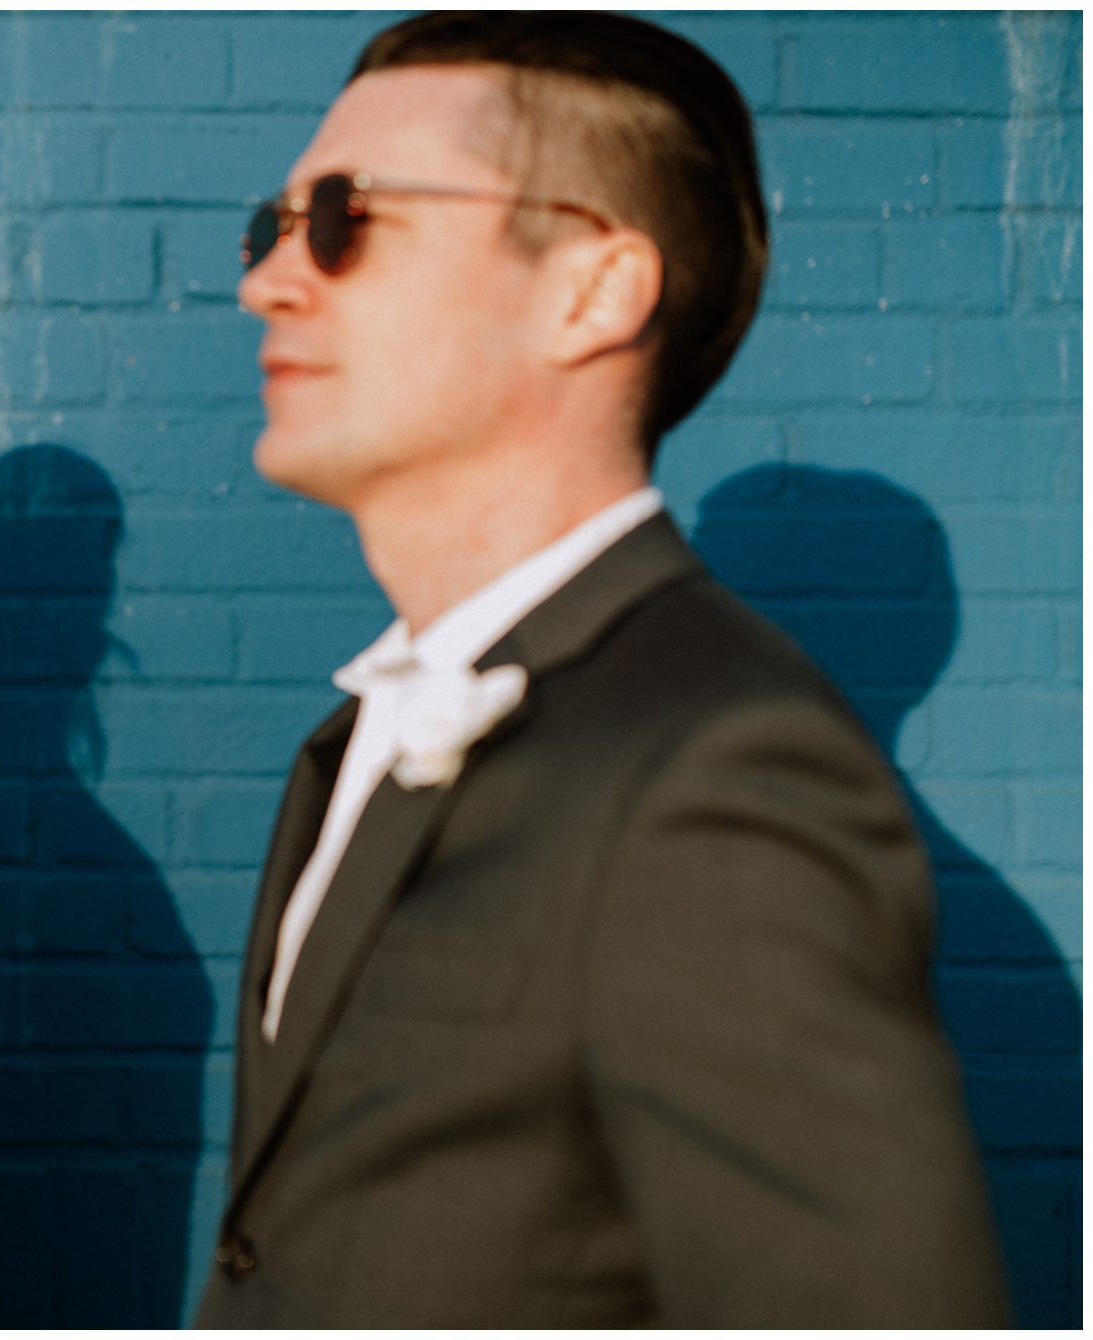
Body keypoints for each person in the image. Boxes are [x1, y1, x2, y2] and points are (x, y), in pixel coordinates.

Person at [194, 11, 1009, 1328]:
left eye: (347, 217)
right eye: (271, 226)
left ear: (594, 288)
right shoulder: (361, 736)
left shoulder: (724, 768)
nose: (273, 280)